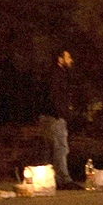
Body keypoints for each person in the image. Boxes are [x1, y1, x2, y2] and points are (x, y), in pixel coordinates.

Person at [39, 48, 82, 189]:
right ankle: (64, 179)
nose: (71, 60)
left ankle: (52, 178)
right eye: (68, 57)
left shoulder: (57, 74)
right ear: (60, 59)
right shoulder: (56, 75)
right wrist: (62, 112)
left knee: (51, 148)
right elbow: (55, 96)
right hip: (55, 116)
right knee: (60, 147)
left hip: (52, 115)